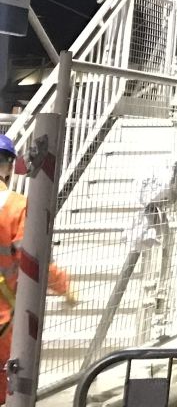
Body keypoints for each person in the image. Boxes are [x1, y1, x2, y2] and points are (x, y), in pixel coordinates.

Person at [0, 135, 77, 402]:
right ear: (9, 166)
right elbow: (31, 260)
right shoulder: (16, 207)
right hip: (4, 322)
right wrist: (65, 287)